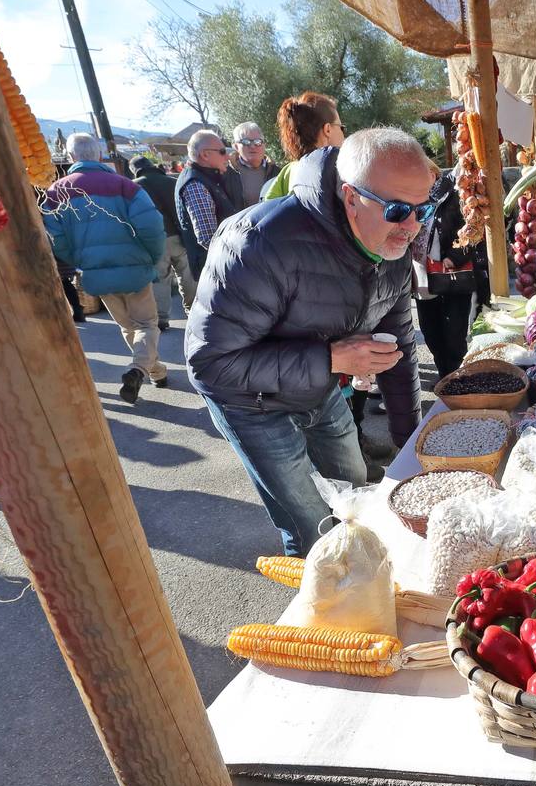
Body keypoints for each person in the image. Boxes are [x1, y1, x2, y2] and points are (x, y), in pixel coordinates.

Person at [185, 127, 431, 556]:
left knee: (359, 501)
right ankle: (320, 601)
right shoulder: (257, 243)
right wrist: (332, 357)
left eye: (422, 210)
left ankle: (364, 576)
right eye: (397, 210)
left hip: (322, 391)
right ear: (351, 197)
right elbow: (209, 364)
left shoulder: (390, 246)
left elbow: (401, 345)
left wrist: (410, 443)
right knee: (312, 524)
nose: (411, 227)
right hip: (252, 405)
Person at [43, 133, 168, 404]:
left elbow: (56, 239)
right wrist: (153, 257)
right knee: (146, 324)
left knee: (127, 326)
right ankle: (140, 369)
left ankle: (155, 372)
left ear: (71, 157)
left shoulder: (56, 192)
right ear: (99, 155)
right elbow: (153, 227)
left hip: (95, 272)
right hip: (134, 268)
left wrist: (78, 260)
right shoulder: (125, 186)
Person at [413, 159, 477, 378]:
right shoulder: (411, 197)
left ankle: (457, 379)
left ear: (433, 173)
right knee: (431, 333)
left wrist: (455, 256)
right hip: (422, 276)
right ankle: (445, 376)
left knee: (454, 334)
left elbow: (473, 228)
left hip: (452, 274)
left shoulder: (455, 193)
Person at [131, 155, 196, 331]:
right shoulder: (171, 181)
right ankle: (194, 311)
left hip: (155, 237)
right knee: (187, 273)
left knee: (160, 277)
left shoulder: (134, 186)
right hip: (178, 235)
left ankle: (161, 318)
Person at [174, 129, 241, 278]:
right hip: (217, 269)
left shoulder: (207, 177)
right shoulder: (196, 184)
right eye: (222, 151)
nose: (228, 156)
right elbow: (208, 238)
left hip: (220, 265)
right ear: (205, 154)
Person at [261, 92, 344, 201]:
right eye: (341, 127)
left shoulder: (288, 172)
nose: (343, 134)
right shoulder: (340, 173)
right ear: (327, 129)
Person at [228, 121, 281, 209]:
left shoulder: (277, 172)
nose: (253, 146)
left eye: (257, 142)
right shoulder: (226, 173)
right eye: (246, 142)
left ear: (264, 145)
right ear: (236, 146)